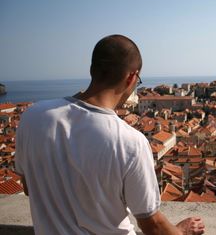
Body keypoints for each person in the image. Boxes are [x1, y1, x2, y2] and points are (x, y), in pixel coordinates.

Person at [15, 34, 205, 235]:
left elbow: (29, 188)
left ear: (92, 70)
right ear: (131, 77)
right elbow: (152, 225)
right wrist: (182, 231)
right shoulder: (130, 142)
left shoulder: (32, 117)